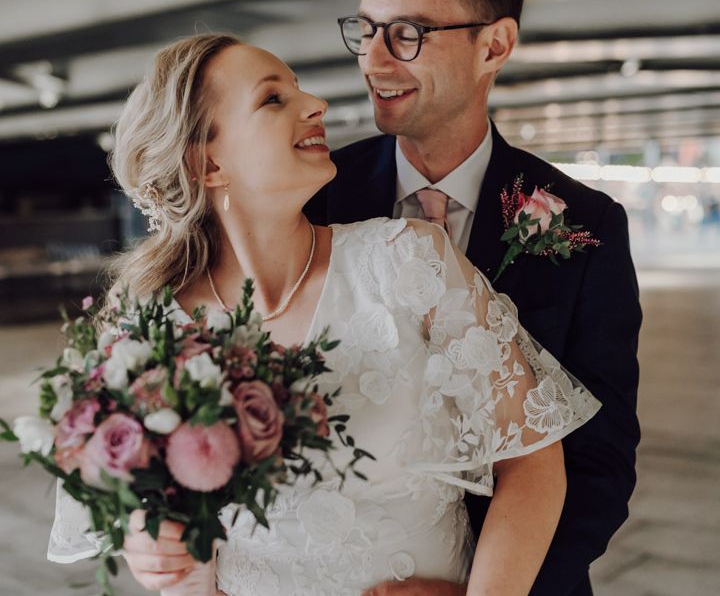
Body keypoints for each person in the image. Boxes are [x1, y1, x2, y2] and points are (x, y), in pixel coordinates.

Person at [47, 34, 600, 595]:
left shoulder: (408, 261)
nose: (316, 103)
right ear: (207, 161)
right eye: (272, 99)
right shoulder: (147, 326)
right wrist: (150, 540)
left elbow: (531, 462)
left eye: (298, 88)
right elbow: (142, 512)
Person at [306, 0, 642, 595]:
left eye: (406, 34)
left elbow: (600, 457)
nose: (371, 60)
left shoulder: (587, 224)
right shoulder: (313, 199)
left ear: (494, 45)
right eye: (366, 30)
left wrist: (486, 587)